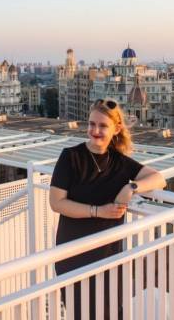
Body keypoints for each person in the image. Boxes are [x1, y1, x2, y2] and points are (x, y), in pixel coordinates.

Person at [49, 98, 166, 319]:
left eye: (103, 126)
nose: (95, 131)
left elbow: (158, 179)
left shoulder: (121, 162)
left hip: (109, 255)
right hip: (74, 254)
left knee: (112, 312)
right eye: (92, 124)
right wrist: (98, 211)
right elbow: (56, 203)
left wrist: (131, 187)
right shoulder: (70, 157)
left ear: (116, 129)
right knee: (82, 313)